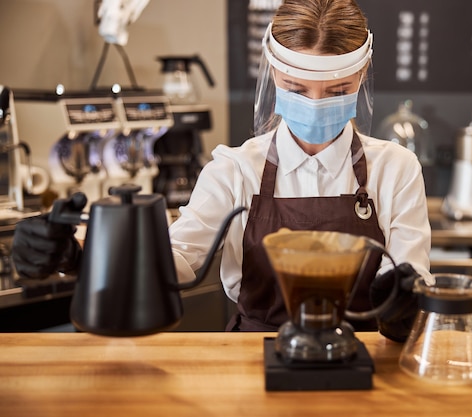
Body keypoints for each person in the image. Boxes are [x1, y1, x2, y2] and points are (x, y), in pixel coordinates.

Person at [11, 0, 431, 340]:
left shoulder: (394, 169)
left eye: (337, 91)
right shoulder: (235, 169)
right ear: (274, 75)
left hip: (364, 358)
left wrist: (403, 305)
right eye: (297, 89)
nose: (316, 103)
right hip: (250, 360)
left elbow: (407, 275)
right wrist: (81, 255)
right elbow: (177, 258)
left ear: (360, 76)